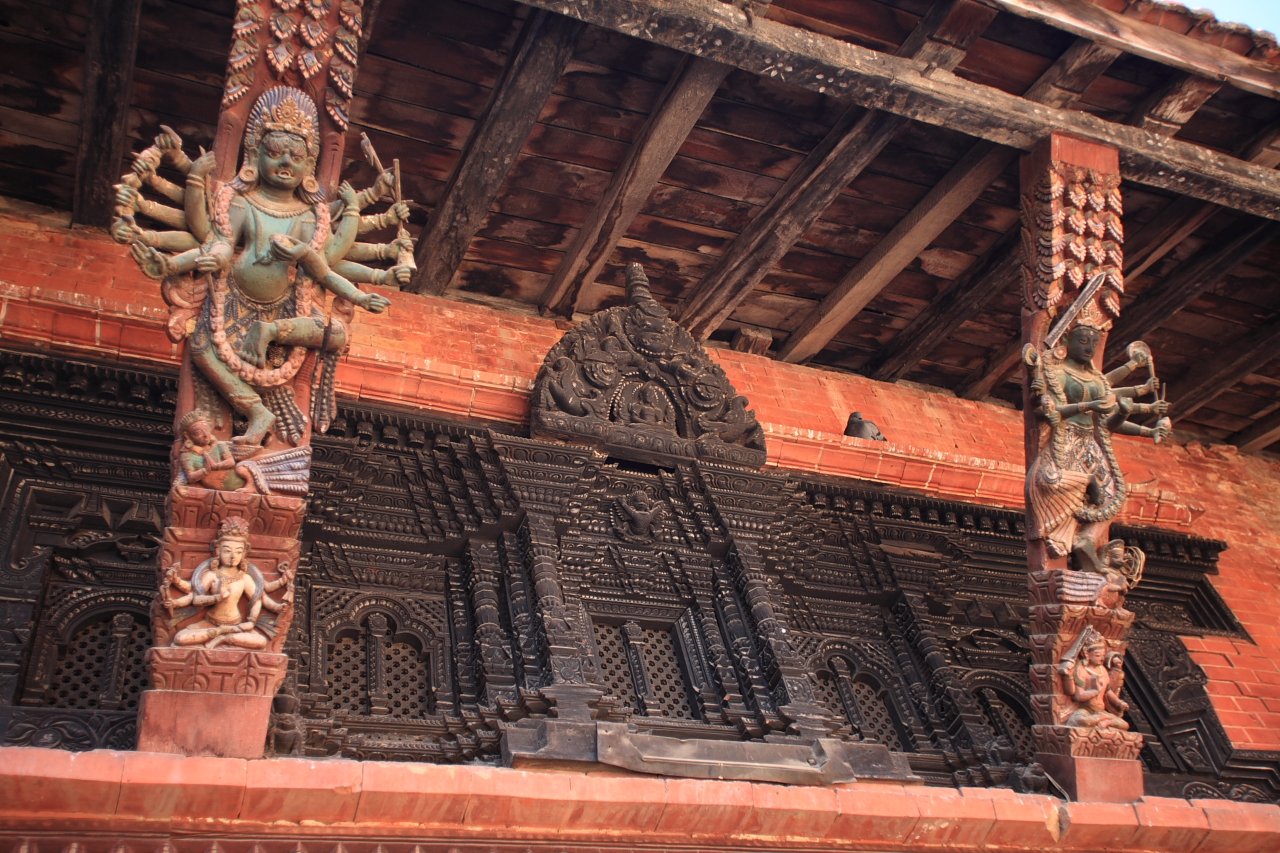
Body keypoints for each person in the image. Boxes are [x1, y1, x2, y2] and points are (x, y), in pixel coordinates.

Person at [117, 87, 407, 446]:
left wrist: (363, 295)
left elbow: (324, 268)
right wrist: (206, 257)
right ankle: (257, 410)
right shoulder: (242, 202)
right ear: (254, 154)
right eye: (274, 153)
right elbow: (222, 242)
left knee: (334, 334)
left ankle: (271, 331)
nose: (286, 163)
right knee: (201, 348)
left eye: (296, 157)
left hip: (285, 308)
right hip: (235, 299)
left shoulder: (308, 215)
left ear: (310, 164)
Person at [1026, 317, 1170, 573]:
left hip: (1091, 442)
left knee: (1110, 497)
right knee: (1052, 481)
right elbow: (1047, 411)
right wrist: (1089, 405)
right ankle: (1080, 499)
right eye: (1082, 341)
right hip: (1065, 439)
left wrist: (1149, 424)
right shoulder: (1055, 372)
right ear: (1067, 341)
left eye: (1094, 343)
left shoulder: (1096, 380)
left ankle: (1086, 540)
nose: (1089, 348)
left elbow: (1110, 413)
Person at [162, 518, 292, 649]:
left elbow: (259, 598)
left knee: (261, 642)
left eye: (238, 552)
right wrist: (176, 602)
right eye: (227, 551)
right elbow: (195, 598)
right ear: (218, 551)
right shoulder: (211, 575)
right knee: (179, 638)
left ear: (244, 553)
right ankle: (216, 635)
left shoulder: (245, 578)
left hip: (235, 625)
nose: (233, 556)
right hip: (210, 622)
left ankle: (223, 638)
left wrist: (275, 609)